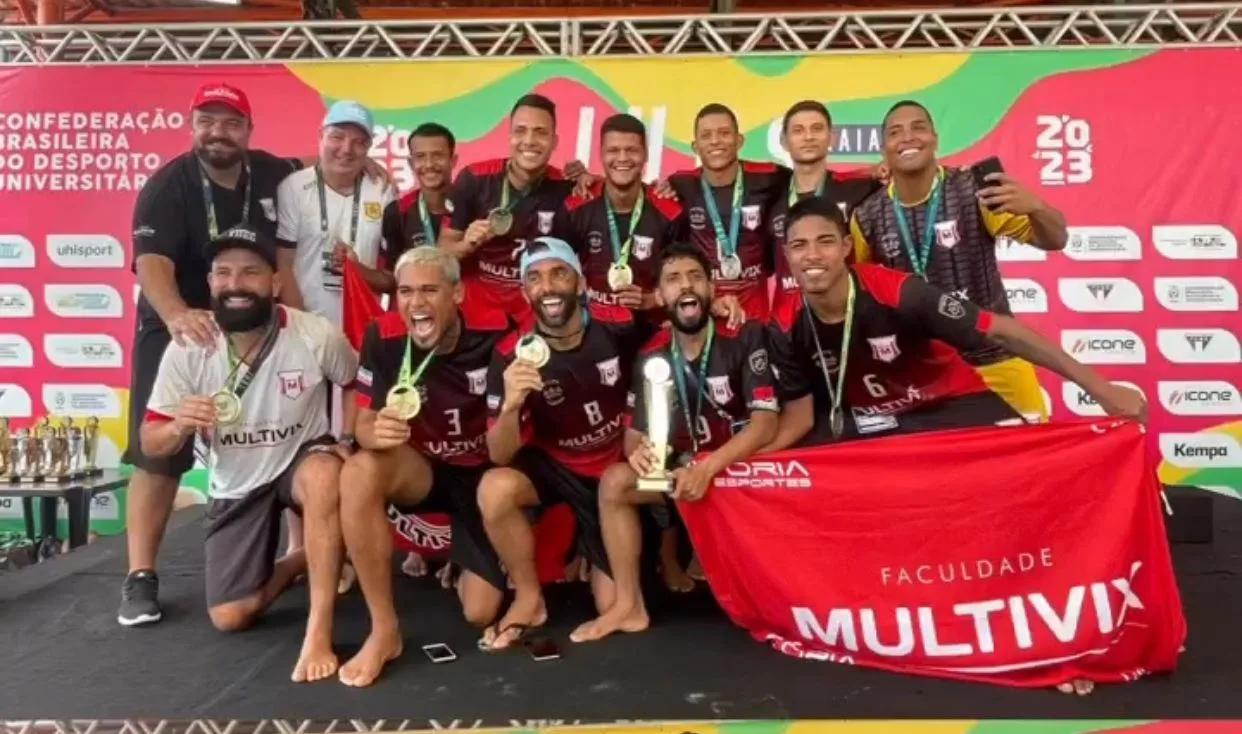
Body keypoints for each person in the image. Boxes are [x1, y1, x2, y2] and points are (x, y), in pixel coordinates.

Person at [120, 82, 309, 627]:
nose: (217, 132)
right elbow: (151, 264)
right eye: (208, 120)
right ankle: (140, 577)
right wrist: (179, 314)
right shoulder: (167, 184)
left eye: (230, 123)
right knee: (160, 447)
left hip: (251, 323)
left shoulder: (273, 172)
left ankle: (294, 552)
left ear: (248, 131)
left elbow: (316, 160)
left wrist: (367, 166)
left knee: (284, 431)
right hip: (182, 324)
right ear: (192, 124)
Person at [139, 225, 358, 684]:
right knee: (232, 615)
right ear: (211, 282)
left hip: (301, 458)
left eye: (250, 273)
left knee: (323, 475)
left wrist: (348, 438)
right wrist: (180, 423)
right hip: (238, 481)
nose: (235, 284)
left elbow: (355, 381)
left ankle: (319, 630)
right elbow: (150, 442)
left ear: (275, 283)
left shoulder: (315, 333)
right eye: (223, 273)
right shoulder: (189, 345)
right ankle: (306, 558)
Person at [766, 198, 1145, 450]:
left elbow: (1002, 330)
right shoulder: (784, 321)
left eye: (825, 242)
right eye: (799, 246)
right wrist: (739, 462)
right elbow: (798, 417)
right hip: (870, 420)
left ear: (847, 247)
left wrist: (1102, 390)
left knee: (1027, 463)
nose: (812, 255)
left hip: (947, 404)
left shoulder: (898, 293)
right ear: (786, 254)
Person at [570, 241, 779, 643]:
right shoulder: (651, 356)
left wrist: (708, 467)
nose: (686, 286)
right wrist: (641, 454)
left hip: (737, 470)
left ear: (712, 289)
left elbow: (766, 423)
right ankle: (628, 607)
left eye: (695, 277)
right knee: (616, 483)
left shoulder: (745, 334)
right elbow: (633, 436)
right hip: (683, 471)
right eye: (673, 280)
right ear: (661, 296)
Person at [335, 246, 511, 688]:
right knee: (358, 470)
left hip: (483, 476)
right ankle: (384, 629)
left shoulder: (496, 333)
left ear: (456, 294)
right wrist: (371, 434)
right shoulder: (384, 334)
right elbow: (364, 422)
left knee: (480, 612)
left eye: (430, 290)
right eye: (406, 291)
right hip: (424, 469)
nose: (416, 303)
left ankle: (460, 556)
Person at [478, 237, 649, 651]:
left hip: (614, 468)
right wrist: (510, 407)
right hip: (556, 467)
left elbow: (663, 363)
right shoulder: (512, 354)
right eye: (534, 278)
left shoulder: (619, 325)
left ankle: (595, 554)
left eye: (558, 273)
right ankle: (529, 596)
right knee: (495, 488)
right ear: (524, 292)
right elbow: (498, 454)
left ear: (581, 283)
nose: (548, 287)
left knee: (615, 606)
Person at [850, 100, 1069, 422]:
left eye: (918, 127)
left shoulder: (974, 191)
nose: (908, 137)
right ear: (884, 148)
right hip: (922, 374)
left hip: (995, 357)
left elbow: (1055, 239)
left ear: (935, 139)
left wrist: (1036, 208)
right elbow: (856, 292)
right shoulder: (867, 215)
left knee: (1035, 464)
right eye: (896, 132)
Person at [437, 94, 578, 322]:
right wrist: (466, 244)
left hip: (536, 312)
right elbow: (442, 253)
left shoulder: (568, 189)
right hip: (477, 312)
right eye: (521, 130)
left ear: (555, 141)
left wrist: (590, 178)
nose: (529, 140)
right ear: (510, 136)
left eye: (540, 132)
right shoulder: (474, 178)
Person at [276, 99, 397, 327]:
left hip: (363, 329)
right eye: (337, 137)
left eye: (358, 142)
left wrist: (357, 270)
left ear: (369, 147)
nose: (347, 149)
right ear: (320, 137)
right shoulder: (293, 187)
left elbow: (391, 279)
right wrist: (302, 327)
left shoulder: (382, 190)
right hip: (307, 325)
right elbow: (283, 265)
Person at [555, 113, 684, 323]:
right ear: (601, 154)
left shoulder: (670, 213)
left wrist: (653, 299)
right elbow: (556, 268)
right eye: (613, 150)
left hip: (649, 327)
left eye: (632, 150)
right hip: (591, 326)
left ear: (645, 155)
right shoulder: (576, 207)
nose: (622, 158)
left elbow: (684, 275)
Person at [664, 103, 786, 320]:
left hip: (756, 317)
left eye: (724, 133)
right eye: (706, 135)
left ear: (739, 140)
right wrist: (591, 180)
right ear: (695, 146)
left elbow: (812, 177)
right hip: (705, 312)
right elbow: (633, 191)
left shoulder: (769, 176)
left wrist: (867, 173)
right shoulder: (681, 184)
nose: (715, 141)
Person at [769, 100, 882, 314]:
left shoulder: (860, 189)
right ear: (784, 141)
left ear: (832, 137)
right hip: (788, 319)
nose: (809, 137)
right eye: (798, 130)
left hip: (847, 313)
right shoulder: (769, 197)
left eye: (817, 128)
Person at [381, 123, 459, 256]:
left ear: (453, 160)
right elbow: (390, 273)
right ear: (411, 164)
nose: (429, 164)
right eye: (420, 156)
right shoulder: (396, 213)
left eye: (437, 155)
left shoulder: (475, 206)